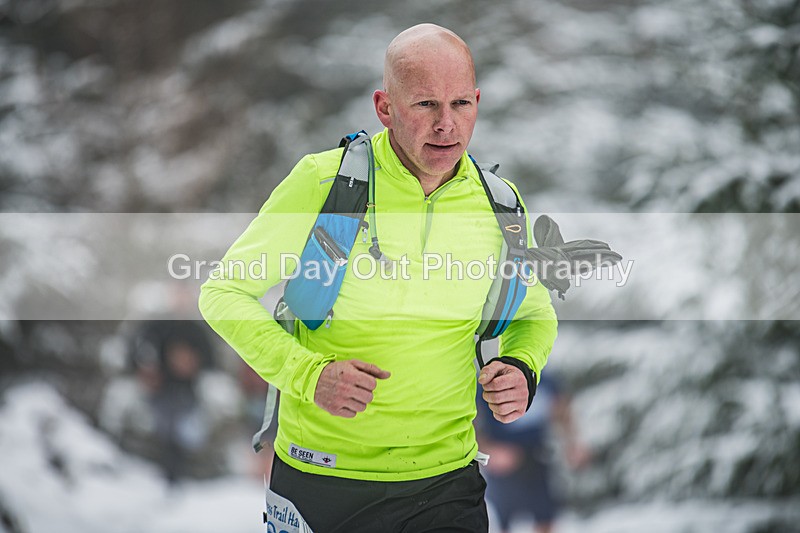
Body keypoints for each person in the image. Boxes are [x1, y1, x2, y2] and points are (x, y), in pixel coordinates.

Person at [199, 23, 558, 532]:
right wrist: (310, 376)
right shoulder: (326, 186)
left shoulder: (499, 204)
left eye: (460, 104)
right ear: (385, 107)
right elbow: (223, 293)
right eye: (425, 105)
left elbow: (535, 314)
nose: (446, 125)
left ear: (478, 100)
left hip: (446, 484)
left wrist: (522, 368)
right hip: (323, 479)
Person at [476, 373, 590, 533]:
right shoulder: (486, 380)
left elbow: (562, 409)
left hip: (538, 456)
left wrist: (573, 445)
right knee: (502, 520)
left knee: (545, 515)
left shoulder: (543, 378)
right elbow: (470, 422)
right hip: (503, 461)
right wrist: (489, 451)